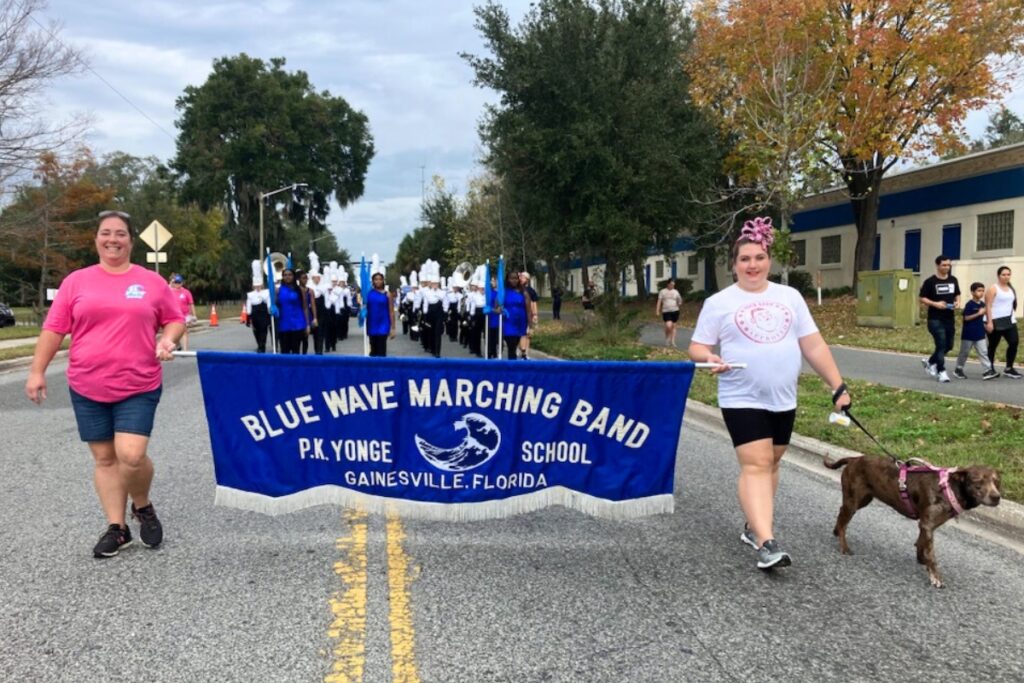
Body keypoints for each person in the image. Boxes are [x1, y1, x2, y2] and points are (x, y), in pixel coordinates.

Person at [688, 217, 849, 571]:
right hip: (740, 396)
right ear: (734, 264)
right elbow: (697, 347)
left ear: (769, 260)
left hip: (782, 398)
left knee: (773, 462)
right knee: (757, 464)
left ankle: (752, 525)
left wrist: (837, 385)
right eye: (744, 259)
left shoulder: (789, 297)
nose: (752, 265)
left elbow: (814, 345)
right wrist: (709, 357)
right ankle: (766, 541)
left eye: (758, 257)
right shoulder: (719, 303)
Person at [24, 210, 185, 558]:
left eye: (121, 234)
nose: (113, 239)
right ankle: (118, 528)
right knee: (105, 458)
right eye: (105, 233)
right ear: (96, 238)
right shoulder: (76, 282)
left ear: (131, 240)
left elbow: (174, 320)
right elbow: (54, 330)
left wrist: (168, 340)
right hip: (87, 383)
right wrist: (37, 370)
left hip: (138, 381)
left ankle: (142, 505)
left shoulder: (151, 281)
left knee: (131, 454)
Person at [918, 254, 960, 383]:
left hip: (949, 318)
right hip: (935, 319)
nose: (946, 267)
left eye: (948, 265)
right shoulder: (930, 282)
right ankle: (941, 371)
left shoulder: (953, 279)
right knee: (941, 344)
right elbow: (922, 298)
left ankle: (931, 362)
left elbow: (957, 294)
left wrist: (957, 302)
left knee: (949, 345)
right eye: (944, 265)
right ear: (937, 266)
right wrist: (935, 304)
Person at [984, 265, 1021, 379]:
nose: (1006, 277)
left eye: (1008, 274)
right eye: (1003, 275)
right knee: (993, 345)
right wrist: (989, 322)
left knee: (1014, 342)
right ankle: (989, 368)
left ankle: (1009, 368)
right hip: (995, 320)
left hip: (1009, 321)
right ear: (998, 276)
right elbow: (988, 306)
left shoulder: (1010, 289)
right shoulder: (993, 288)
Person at [953, 282, 994, 380]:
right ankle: (958, 369)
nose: (981, 293)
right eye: (979, 291)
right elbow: (966, 318)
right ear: (972, 292)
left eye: (983, 291)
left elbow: (983, 318)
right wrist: (978, 314)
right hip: (968, 333)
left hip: (980, 333)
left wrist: (987, 324)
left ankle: (987, 371)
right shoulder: (969, 304)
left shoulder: (983, 304)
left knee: (983, 352)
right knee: (964, 352)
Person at [275, 268, 310, 354]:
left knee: (296, 350)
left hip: (298, 323)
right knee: (284, 351)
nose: (287, 277)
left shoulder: (300, 290)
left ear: (294, 276)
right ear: (282, 277)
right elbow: (275, 304)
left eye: (290, 275)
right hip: (284, 324)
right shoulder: (278, 290)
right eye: (285, 275)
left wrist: (307, 324)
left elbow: (305, 307)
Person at [500, 268, 529, 360]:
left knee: (515, 345)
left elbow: (528, 310)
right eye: (511, 278)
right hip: (508, 322)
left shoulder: (523, 292)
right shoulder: (503, 292)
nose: (514, 280)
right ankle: (512, 366)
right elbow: (496, 307)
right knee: (511, 346)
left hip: (520, 322)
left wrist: (530, 325)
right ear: (508, 279)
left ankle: (513, 364)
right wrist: (500, 310)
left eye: (516, 278)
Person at [365, 272, 396, 356]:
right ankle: (372, 368)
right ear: (373, 281)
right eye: (376, 279)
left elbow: (391, 311)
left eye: (380, 279)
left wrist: (393, 328)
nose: (378, 281)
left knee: (381, 350)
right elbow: (365, 308)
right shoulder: (369, 294)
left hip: (383, 325)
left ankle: (382, 368)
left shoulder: (388, 294)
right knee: (373, 350)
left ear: (383, 281)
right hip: (372, 324)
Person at [169, 273, 196, 351]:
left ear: (182, 283)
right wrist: (171, 282)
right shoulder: (170, 291)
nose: (177, 284)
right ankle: (177, 344)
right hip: (174, 315)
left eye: (179, 282)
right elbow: (164, 289)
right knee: (175, 332)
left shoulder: (186, 292)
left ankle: (185, 350)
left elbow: (191, 304)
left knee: (184, 331)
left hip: (185, 315)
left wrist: (194, 315)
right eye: (176, 282)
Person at [656, 278, 684, 348]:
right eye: (671, 284)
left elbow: (679, 300)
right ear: (668, 284)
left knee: (674, 326)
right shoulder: (663, 291)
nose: (672, 286)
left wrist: (679, 303)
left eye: (673, 285)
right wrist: (657, 310)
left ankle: (673, 341)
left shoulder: (676, 292)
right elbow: (659, 301)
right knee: (668, 325)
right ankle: (667, 338)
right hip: (666, 311)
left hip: (675, 311)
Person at [245, 280, 271, 353]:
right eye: (256, 285)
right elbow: (248, 305)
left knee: (263, 331)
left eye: (259, 285)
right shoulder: (250, 294)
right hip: (254, 315)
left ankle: (262, 346)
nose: (258, 287)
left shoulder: (266, 292)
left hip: (264, 314)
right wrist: (248, 317)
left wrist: (270, 313)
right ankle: (259, 344)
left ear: (262, 285)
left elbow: (268, 303)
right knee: (256, 331)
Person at [518, 271, 539, 359]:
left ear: (527, 279)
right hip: (518, 314)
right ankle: (520, 348)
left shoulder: (531, 290)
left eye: (523, 277)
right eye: (521, 277)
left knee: (528, 334)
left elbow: (534, 303)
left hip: (529, 315)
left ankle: (526, 352)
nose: (521, 278)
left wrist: (535, 315)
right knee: (519, 334)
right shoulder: (517, 289)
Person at [297, 270, 317, 355]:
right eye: (303, 278)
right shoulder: (295, 290)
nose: (305, 280)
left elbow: (313, 305)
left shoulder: (310, 291)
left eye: (306, 278)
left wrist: (315, 318)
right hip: (297, 314)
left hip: (307, 314)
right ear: (298, 279)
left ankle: (304, 354)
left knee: (306, 337)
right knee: (297, 337)